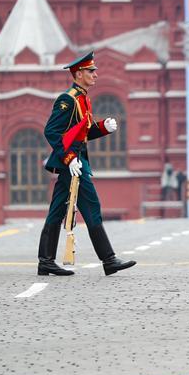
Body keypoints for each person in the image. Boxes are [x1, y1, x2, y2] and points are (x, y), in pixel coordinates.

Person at [37, 51, 137, 276]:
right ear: (79, 73)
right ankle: (108, 260)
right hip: (73, 163)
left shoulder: (83, 98)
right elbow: (51, 131)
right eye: (91, 71)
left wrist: (102, 128)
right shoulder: (68, 100)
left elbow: (81, 133)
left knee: (58, 210)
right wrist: (69, 158)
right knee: (91, 207)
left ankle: (46, 261)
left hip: (76, 162)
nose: (95, 74)